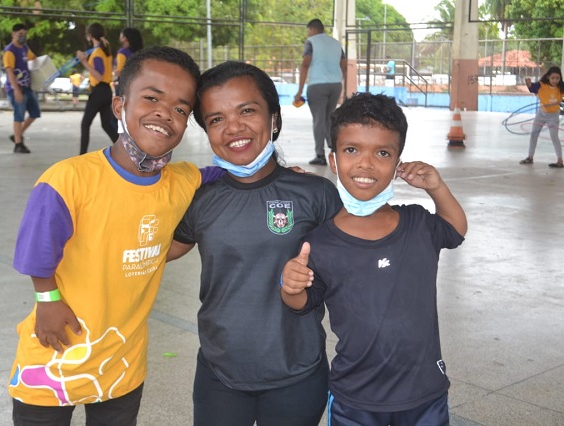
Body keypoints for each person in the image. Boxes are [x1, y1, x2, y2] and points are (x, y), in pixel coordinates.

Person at [8, 46, 218, 425]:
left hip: (122, 362)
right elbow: (36, 252)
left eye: (180, 109)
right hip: (55, 352)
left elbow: (224, 175)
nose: (164, 113)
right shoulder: (69, 179)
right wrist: (47, 299)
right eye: (151, 98)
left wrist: (282, 173)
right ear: (119, 105)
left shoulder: (183, 180)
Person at [168, 61, 343, 426]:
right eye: (216, 119)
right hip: (220, 373)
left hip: (297, 372)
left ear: (274, 119)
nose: (233, 127)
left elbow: (354, 266)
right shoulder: (199, 198)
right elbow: (152, 253)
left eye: (247, 110)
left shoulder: (314, 193)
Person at [281, 93, 468, 426]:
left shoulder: (417, 223)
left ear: (397, 164)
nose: (366, 164)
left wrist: (436, 188)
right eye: (352, 150)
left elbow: (455, 230)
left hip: (424, 392)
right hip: (355, 396)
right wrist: (290, 284)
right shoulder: (319, 241)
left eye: (382, 153)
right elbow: (301, 302)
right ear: (334, 160)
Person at [294, 18, 347, 166]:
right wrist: (340, 81)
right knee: (329, 118)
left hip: (318, 85)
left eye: (308, 31)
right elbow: (344, 65)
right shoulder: (336, 43)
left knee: (318, 119)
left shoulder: (311, 42)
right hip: (335, 85)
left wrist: (299, 91)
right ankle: (334, 150)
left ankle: (320, 155)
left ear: (312, 29)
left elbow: (305, 64)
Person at [520, 66, 564, 168]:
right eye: (553, 78)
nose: (555, 80)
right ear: (548, 77)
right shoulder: (541, 85)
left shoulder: (561, 87)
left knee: (554, 137)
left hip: (553, 115)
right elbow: (531, 87)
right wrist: (528, 83)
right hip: (541, 113)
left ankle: (560, 161)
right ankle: (530, 157)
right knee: (534, 134)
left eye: (557, 78)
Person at [77, 22, 118, 155]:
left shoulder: (97, 53)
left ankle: (82, 155)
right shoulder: (105, 50)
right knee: (106, 124)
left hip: (99, 90)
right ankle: (126, 150)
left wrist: (84, 62)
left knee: (85, 123)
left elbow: (99, 76)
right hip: (106, 91)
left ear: (89, 36)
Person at [3, 23, 39, 154]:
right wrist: (16, 90)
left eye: (25, 34)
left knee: (35, 113)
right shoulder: (10, 51)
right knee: (19, 115)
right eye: (20, 34)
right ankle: (18, 144)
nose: (23, 37)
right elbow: (9, 71)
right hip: (16, 88)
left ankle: (17, 135)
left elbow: (34, 58)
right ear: (13, 35)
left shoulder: (25, 48)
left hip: (27, 87)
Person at [114, 27, 143, 96]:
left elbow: (119, 71)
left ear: (125, 38)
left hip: (124, 86)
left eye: (121, 35)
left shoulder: (122, 52)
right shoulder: (140, 53)